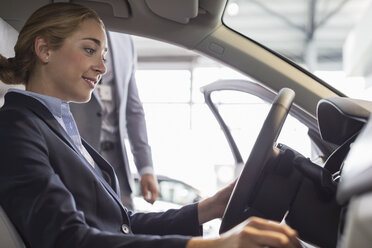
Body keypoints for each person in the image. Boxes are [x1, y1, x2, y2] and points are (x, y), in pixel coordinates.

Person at [0, 3, 301, 248]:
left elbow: (123, 225)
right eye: (90, 50)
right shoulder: (16, 129)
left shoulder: (55, 126)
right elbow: (67, 239)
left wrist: (211, 206)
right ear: (44, 50)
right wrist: (215, 246)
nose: (103, 68)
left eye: (103, 56)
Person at [70, 31, 158, 210]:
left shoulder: (126, 39)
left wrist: (146, 167)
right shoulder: (72, 24)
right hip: (78, 156)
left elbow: (134, 109)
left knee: (127, 225)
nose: (102, 68)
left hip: (117, 163)